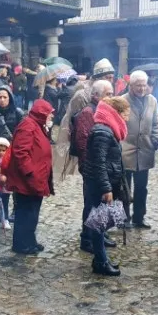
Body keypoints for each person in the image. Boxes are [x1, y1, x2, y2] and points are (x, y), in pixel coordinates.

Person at [82, 97, 130, 276]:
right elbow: (99, 162)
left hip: (106, 182)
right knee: (99, 223)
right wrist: (106, 188)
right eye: (126, 113)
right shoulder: (103, 131)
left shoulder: (108, 129)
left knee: (102, 222)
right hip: (99, 184)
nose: (127, 117)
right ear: (117, 113)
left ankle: (101, 259)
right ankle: (101, 262)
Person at [4, 99, 55, 255]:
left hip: (36, 178)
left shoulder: (37, 125)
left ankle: (30, 241)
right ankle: (21, 244)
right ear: (42, 113)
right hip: (27, 179)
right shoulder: (28, 126)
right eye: (50, 114)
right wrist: (30, 173)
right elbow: (20, 152)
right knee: (25, 213)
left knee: (32, 213)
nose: (51, 117)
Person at [71, 80, 117, 253]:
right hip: (92, 168)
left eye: (112, 93)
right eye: (107, 94)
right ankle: (87, 238)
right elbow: (82, 143)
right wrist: (90, 168)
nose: (111, 97)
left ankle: (100, 234)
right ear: (96, 95)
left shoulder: (104, 110)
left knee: (102, 204)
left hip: (102, 166)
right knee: (91, 204)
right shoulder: (88, 113)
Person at [120, 71, 158, 229]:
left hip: (145, 149)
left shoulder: (152, 101)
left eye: (144, 85)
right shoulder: (122, 101)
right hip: (126, 149)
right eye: (138, 85)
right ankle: (123, 218)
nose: (142, 88)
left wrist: (154, 139)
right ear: (131, 85)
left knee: (142, 187)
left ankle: (139, 217)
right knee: (124, 187)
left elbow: (156, 123)